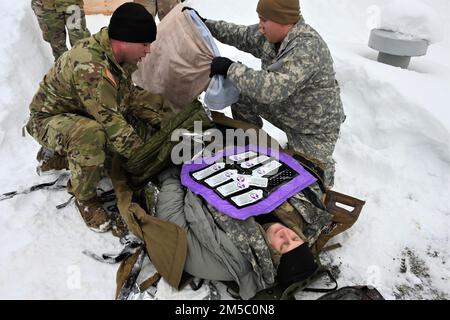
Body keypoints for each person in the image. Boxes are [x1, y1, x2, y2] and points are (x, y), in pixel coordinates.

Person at [26, 3, 170, 233]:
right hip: (47, 120)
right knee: (92, 134)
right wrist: (151, 161)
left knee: (149, 105)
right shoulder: (91, 68)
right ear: (125, 41)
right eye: (145, 44)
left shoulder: (117, 55)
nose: (149, 50)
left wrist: (163, 120)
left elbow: (126, 97)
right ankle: (84, 197)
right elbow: (113, 125)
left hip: (80, 110)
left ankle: (64, 157)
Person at [194, 0, 346, 188]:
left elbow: (270, 89)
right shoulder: (272, 35)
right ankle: (252, 146)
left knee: (304, 181)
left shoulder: (307, 47)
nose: (260, 25)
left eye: (264, 20)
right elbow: (240, 35)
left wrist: (230, 68)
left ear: (283, 20)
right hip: (284, 109)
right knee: (241, 92)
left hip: (312, 129)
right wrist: (204, 24)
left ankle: (324, 168)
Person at [155, 167, 318, 299]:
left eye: (283, 245)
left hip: (183, 173)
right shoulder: (295, 218)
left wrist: (173, 176)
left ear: (273, 260)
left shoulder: (227, 263)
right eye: (294, 237)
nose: (285, 234)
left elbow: (171, 220)